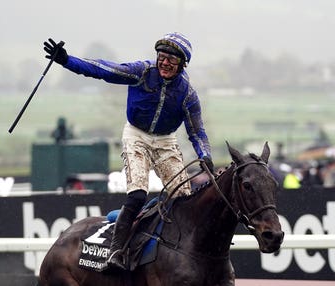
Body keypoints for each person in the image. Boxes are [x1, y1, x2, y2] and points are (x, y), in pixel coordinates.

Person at [44, 32, 213, 270]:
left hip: (166, 140)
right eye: (162, 57)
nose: (164, 63)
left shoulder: (187, 94)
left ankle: (185, 253)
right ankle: (116, 252)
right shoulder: (142, 72)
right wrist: (66, 60)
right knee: (137, 195)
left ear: (182, 64)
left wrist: (205, 156)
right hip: (136, 135)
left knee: (183, 200)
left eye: (171, 60)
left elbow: (197, 132)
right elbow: (103, 69)